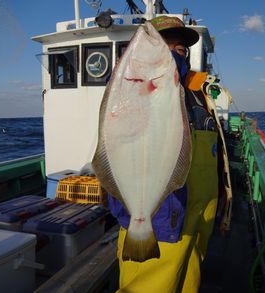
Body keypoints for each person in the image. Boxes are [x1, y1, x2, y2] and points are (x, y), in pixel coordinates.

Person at [108, 15, 226, 292]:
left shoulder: (198, 96)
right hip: (159, 221)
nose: (174, 54)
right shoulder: (132, 88)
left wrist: (222, 207)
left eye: (181, 50)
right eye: (165, 46)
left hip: (197, 224)